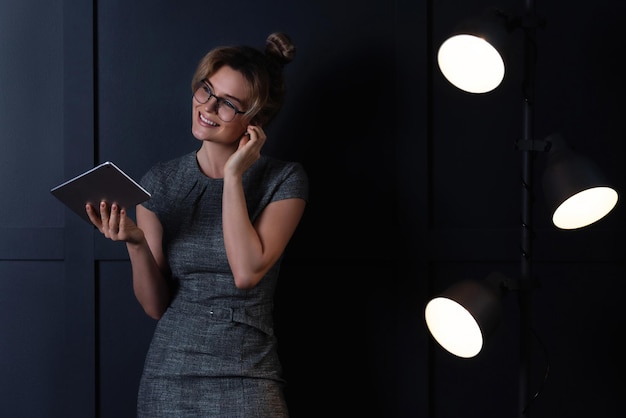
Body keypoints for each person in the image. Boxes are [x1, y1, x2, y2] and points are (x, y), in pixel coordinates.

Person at [86, 32, 308, 417]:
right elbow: (155, 307)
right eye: (206, 90)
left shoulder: (284, 180)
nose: (207, 107)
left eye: (228, 104)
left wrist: (235, 175)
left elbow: (246, 272)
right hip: (169, 375)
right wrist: (135, 242)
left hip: (248, 376)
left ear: (253, 122)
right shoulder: (160, 183)